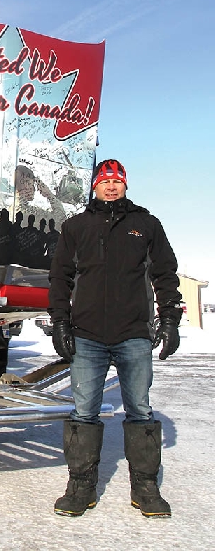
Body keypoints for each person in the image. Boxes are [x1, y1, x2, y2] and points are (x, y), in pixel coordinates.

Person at [48, 159, 182, 518]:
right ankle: (80, 487)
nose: (111, 186)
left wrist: (169, 319)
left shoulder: (146, 224)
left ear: (125, 184)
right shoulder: (76, 227)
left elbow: (166, 274)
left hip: (134, 334)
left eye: (117, 181)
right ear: (94, 185)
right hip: (87, 335)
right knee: (84, 411)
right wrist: (60, 322)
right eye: (105, 180)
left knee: (140, 410)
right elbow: (60, 278)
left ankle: (146, 488)